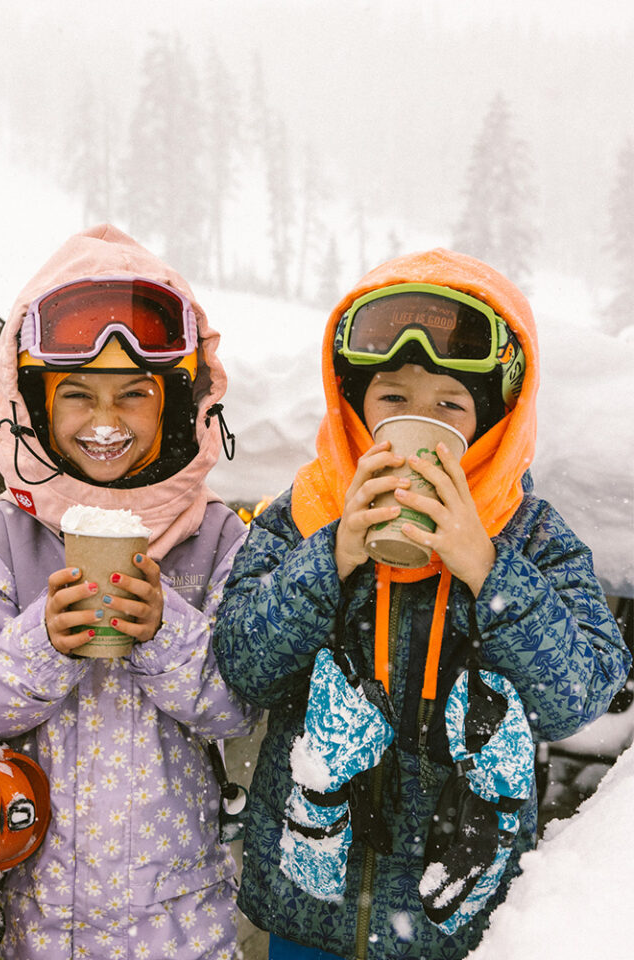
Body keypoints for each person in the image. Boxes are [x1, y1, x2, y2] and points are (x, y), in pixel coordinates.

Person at [213, 248, 631, 960]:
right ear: (356, 410)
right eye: (394, 400)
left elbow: (578, 696)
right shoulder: (308, 514)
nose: (418, 422)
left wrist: (488, 568)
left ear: (492, 423)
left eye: (449, 406)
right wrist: (334, 553)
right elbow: (243, 665)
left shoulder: (531, 538)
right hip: (307, 913)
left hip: (456, 921)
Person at [0, 224, 259, 959]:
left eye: (134, 394)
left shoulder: (214, 539)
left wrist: (165, 628)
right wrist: (43, 641)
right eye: (78, 394)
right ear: (32, 404)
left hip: (178, 921)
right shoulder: (1, 538)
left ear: (180, 402)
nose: (106, 421)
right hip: (37, 920)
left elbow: (236, 709)